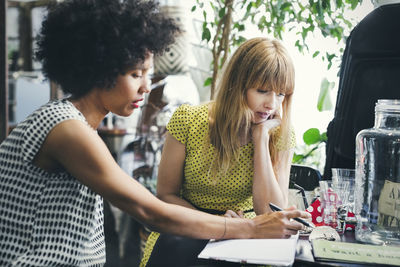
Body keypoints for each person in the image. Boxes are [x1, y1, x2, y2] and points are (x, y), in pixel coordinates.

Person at [0, 0, 310, 265]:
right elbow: (150, 210)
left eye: (148, 73)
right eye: (136, 74)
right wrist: (252, 228)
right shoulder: (65, 129)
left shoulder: (79, 127)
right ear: (99, 69)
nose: (147, 87)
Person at [141, 37, 298, 266]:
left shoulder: (280, 133)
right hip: (189, 228)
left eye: (281, 94)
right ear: (237, 85)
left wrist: (261, 138)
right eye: (262, 90)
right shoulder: (188, 121)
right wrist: (220, 226)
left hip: (248, 236)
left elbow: (269, 211)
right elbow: (166, 195)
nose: (272, 104)